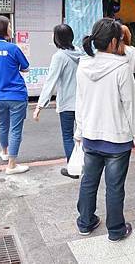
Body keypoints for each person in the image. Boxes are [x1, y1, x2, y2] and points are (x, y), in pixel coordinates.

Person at [75, 18, 135, 242]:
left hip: (91, 136)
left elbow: (80, 102)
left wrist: (79, 131)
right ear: (115, 41)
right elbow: (131, 106)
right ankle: (116, 230)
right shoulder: (121, 68)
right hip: (117, 139)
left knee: (88, 181)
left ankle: (85, 222)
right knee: (114, 187)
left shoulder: (83, 65)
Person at [33, 24, 83, 179]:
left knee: (68, 136)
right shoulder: (80, 52)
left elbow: (50, 82)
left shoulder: (59, 56)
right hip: (82, 102)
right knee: (82, 136)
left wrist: (39, 106)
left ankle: (73, 168)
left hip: (67, 103)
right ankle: (84, 165)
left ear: (57, 38)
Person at [0, 15, 30, 175]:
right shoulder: (13, 48)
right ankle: (11, 165)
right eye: (9, 26)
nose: (11, 29)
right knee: (15, 129)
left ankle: (4, 152)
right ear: (3, 29)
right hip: (16, 94)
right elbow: (25, 67)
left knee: (3, 125)